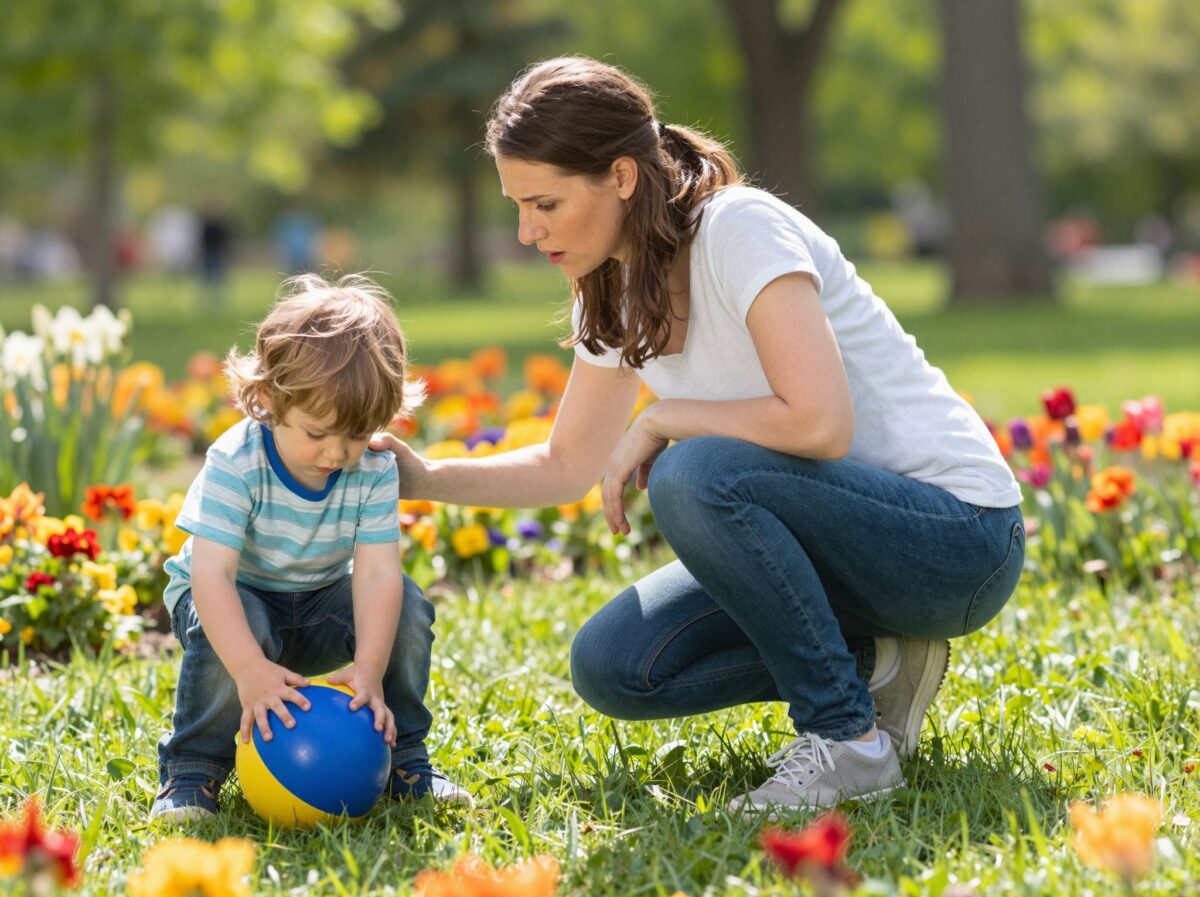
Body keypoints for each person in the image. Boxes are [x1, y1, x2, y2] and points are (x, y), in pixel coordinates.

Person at [373, 57, 1025, 816]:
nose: (527, 232)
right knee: (615, 665)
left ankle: (847, 741)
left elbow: (820, 423)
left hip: (957, 538)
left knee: (695, 473)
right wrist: (423, 478)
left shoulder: (738, 229)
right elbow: (563, 466)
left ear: (620, 176)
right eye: (518, 207)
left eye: (545, 203)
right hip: (845, 553)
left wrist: (664, 418)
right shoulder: (611, 289)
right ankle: (876, 663)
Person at [153, 273, 472, 822]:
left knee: (410, 607)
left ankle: (405, 759)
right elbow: (211, 578)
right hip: (233, 597)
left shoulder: (372, 468)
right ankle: (192, 772)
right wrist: (251, 671)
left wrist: (368, 669)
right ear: (271, 400)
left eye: (355, 435)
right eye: (318, 433)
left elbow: (375, 577)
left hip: (320, 598)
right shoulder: (237, 462)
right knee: (242, 622)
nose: (336, 453)